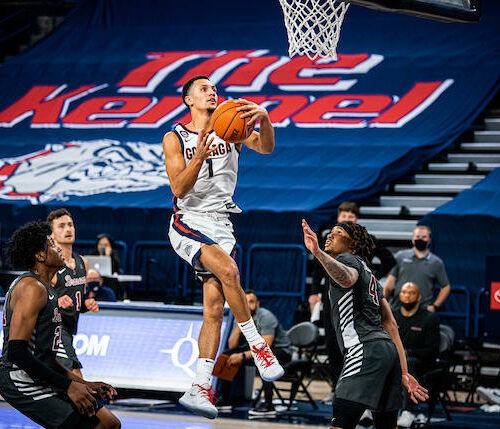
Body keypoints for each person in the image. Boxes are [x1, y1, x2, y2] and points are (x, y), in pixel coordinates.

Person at [162, 75, 283, 419]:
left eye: (214, 88)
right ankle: (260, 348)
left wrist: (265, 118)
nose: (211, 92)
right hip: (189, 220)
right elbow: (179, 188)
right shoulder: (175, 137)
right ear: (188, 99)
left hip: (222, 222)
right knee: (230, 271)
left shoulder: (233, 126)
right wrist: (198, 156)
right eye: (203, 89)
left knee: (214, 308)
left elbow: (267, 147)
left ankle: (200, 387)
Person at [302, 219, 428, 429]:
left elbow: (347, 279)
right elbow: (392, 324)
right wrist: (404, 371)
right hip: (387, 351)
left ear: (352, 244)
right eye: (330, 232)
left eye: (339, 233)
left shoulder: (348, 260)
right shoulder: (370, 274)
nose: (330, 236)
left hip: (364, 350)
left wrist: (317, 253)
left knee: (341, 424)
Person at [0, 220, 121, 428]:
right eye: (52, 245)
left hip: (38, 372)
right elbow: (17, 352)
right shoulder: (32, 288)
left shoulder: (47, 289)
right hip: (18, 378)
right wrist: (69, 387)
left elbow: (45, 357)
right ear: (40, 255)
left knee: (109, 423)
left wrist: (84, 384)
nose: (59, 249)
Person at [309, 201, 396, 405]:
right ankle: (338, 389)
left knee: (354, 344)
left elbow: (387, 263)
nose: (347, 219)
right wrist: (314, 293)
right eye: (343, 217)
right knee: (333, 345)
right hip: (332, 297)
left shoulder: (357, 254)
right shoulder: (329, 242)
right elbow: (316, 270)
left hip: (357, 297)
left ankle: (357, 393)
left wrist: (372, 277)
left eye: (351, 217)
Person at [216, 290, 292, 417]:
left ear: (257, 303)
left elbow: (266, 346)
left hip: (279, 351)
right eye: (244, 302)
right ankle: (225, 399)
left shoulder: (266, 316)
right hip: (255, 350)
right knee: (226, 355)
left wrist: (242, 356)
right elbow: (232, 345)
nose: (248, 305)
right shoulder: (240, 316)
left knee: (263, 360)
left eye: (251, 302)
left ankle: (269, 405)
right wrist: (238, 328)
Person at [47, 208, 99, 377]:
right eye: (61, 226)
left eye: (70, 225)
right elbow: (33, 299)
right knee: (76, 378)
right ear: (52, 236)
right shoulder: (49, 264)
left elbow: (78, 300)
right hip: (53, 328)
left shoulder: (82, 262)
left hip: (69, 328)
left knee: (59, 383)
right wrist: (55, 301)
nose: (68, 229)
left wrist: (85, 304)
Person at [393, 282, 440, 428]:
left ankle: (408, 411)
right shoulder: (392, 315)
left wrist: (408, 353)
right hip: (394, 359)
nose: (407, 296)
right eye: (404, 292)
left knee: (410, 362)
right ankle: (369, 408)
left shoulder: (429, 318)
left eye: (411, 293)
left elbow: (433, 349)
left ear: (419, 297)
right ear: (399, 295)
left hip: (421, 361)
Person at [383, 225, 451, 312]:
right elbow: (389, 284)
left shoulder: (436, 262)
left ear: (429, 240)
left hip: (422, 310)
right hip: (398, 307)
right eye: (417, 236)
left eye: (424, 237)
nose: (420, 239)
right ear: (412, 239)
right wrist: (384, 304)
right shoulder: (400, 257)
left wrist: (435, 306)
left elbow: (446, 286)